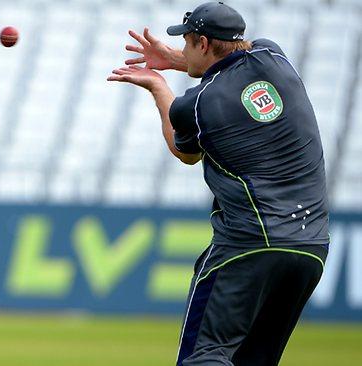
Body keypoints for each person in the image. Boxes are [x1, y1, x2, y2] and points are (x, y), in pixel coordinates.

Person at [108, 2, 329, 365]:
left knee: (205, 355)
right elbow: (232, 67)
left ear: (204, 44)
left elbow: (186, 152)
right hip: (310, 248)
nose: (183, 50)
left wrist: (159, 85)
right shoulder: (275, 57)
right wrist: (177, 58)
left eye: (188, 43)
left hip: (248, 245)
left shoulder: (198, 104)